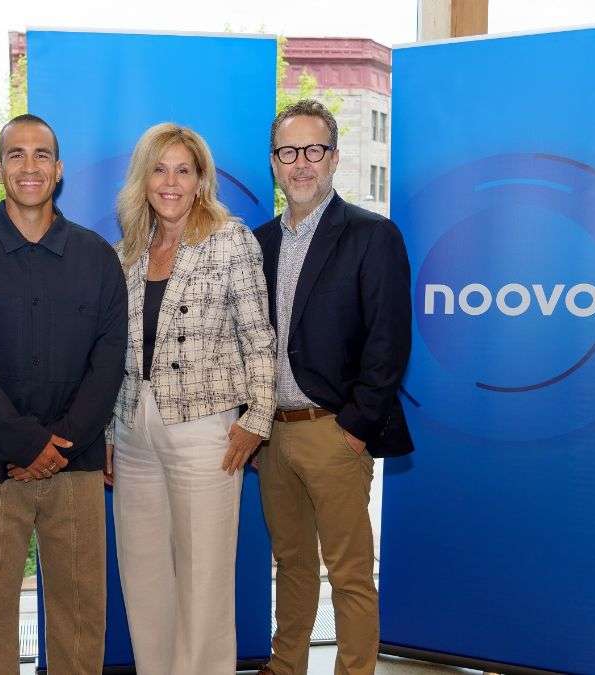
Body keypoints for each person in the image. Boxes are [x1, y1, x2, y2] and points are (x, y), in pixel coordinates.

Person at [0, 113, 128, 674]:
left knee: (81, 615)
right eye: (16, 154)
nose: (29, 165)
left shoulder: (97, 257)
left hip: (76, 464)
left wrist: (57, 444)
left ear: (59, 169)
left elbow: (108, 360)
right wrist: (23, 443)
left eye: (41, 154)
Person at [104, 122, 276, 674]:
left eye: (183, 169)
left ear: (201, 179)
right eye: (159, 169)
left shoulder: (231, 239)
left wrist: (258, 417)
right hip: (134, 429)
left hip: (207, 429)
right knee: (144, 570)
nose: (170, 182)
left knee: (203, 576)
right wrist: (108, 432)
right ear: (143, 179)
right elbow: (115, 355)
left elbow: (260, 337)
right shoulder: (127, 250)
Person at [254, 99, 413, 675]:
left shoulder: (372, 236)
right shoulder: (258, 243)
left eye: (314, 150)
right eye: (289, 152)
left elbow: (389, 342)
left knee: (348, 573)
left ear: (335, 158)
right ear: (274, 163)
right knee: (290, 563)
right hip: (270, 435)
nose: (302, 164)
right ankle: (286, 664)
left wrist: (355, 426)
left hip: (334, 434)